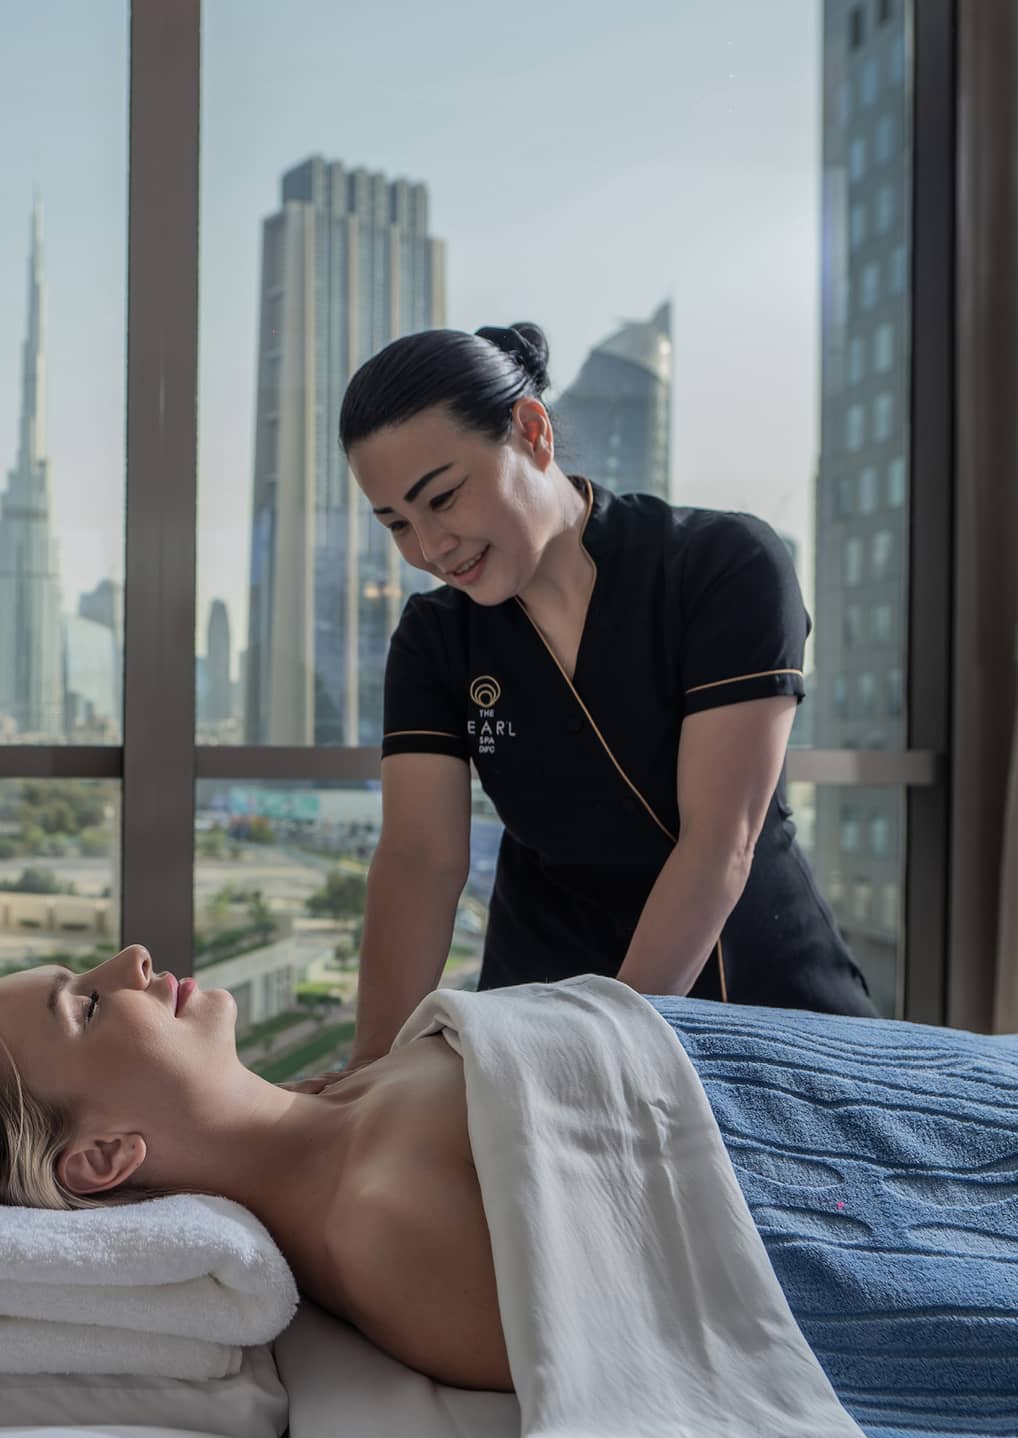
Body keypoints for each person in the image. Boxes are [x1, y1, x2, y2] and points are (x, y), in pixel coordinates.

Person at [306, 323, 873, 1092]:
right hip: (541, 1001)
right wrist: (367, 1074)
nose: (431, 547)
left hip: (752, 994)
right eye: (398, 524)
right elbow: (417, 861)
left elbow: (717, 847)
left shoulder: (723, 565)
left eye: (442, 498)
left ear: (532, 432)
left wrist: (602, 1061)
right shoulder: (436, 637)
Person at [0, 947, 513, 1392]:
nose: (130, 959)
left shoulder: (354, 1092)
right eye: (88, 1006)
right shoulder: (389, 1230)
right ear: (102, 1156)